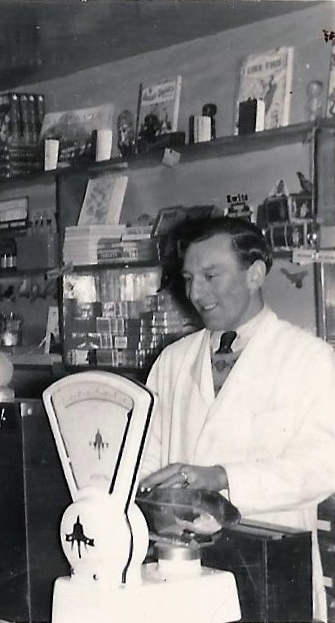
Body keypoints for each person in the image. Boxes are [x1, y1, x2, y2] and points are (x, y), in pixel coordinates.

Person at [139, 217, 335, 621]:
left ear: (255, 274)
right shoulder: (172, 360)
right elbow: (145, 459)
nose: (195, 293)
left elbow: (323, 465)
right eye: (189, 278)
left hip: (270, 562)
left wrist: (223, 477)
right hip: (180, 565)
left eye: (211, 276)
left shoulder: (309, 358)